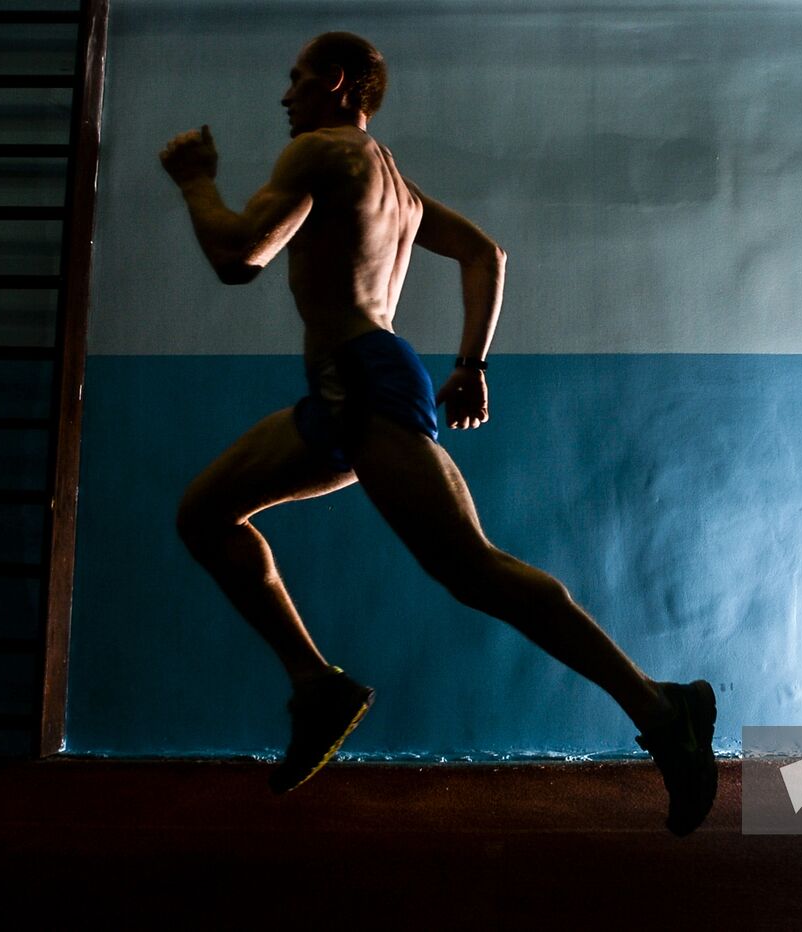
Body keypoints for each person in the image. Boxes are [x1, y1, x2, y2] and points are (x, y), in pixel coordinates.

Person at [159, 31, 717, 836]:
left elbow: (240, 254)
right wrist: (471, 365)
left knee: (475, 571)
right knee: (205, 514)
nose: (285, 97)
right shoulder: (394, 183)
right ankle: (316, 687)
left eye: (298, 80)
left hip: (363, 383)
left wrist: (197, 182)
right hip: (343, 390)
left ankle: (663, 710)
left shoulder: (320, 153)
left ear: (339, 83)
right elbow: (484, 253)